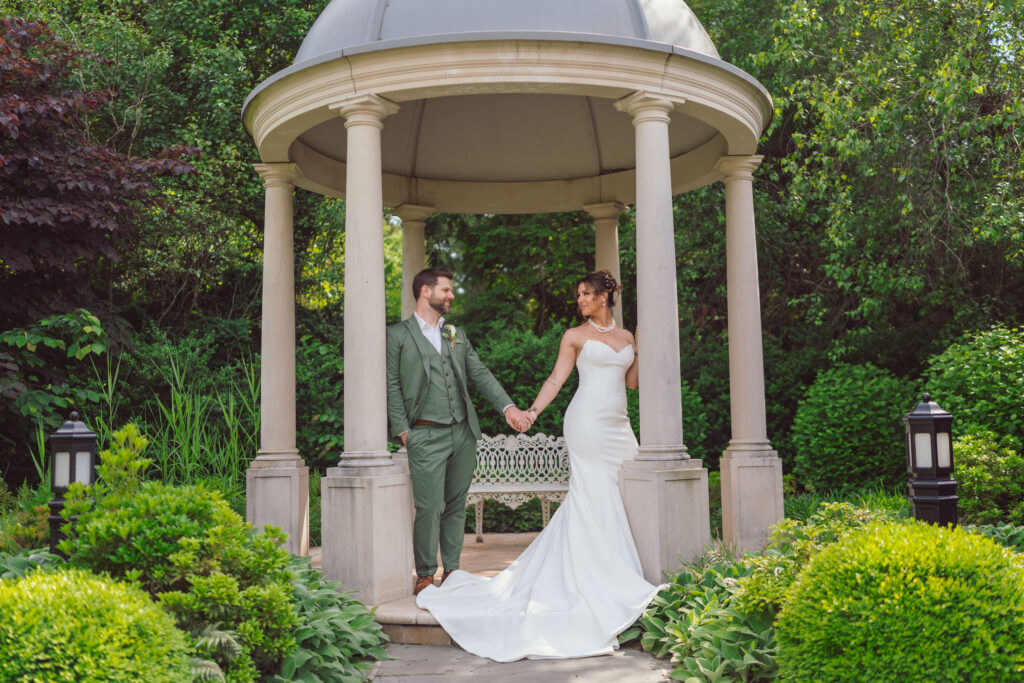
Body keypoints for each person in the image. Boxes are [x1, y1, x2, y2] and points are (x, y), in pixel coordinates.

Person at [416, 269, 665, 662]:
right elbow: (555, 380)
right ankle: (604, 580)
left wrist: (645, 346)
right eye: (578, 294)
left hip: (620, 427)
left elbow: (631, 383)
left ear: (605, 297)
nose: (580, 300)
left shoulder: (627, 338)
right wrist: (530, 412)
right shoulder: (574, 336)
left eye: (586, 294)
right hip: (585, 424)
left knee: (622, 494)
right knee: (594, 495)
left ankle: (612, 573)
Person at [386, 268, 532, 596]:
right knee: (429, 507)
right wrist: (404, 433)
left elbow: (478, 373)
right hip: (424, 435)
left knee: (455, 504)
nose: (451, 295)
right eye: (446, 290)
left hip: (463, 434)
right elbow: (392, 386)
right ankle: (425, 574)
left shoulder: (456, 333)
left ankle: (452, 570)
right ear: (426, 291)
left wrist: (508, 408)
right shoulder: (397, 335)